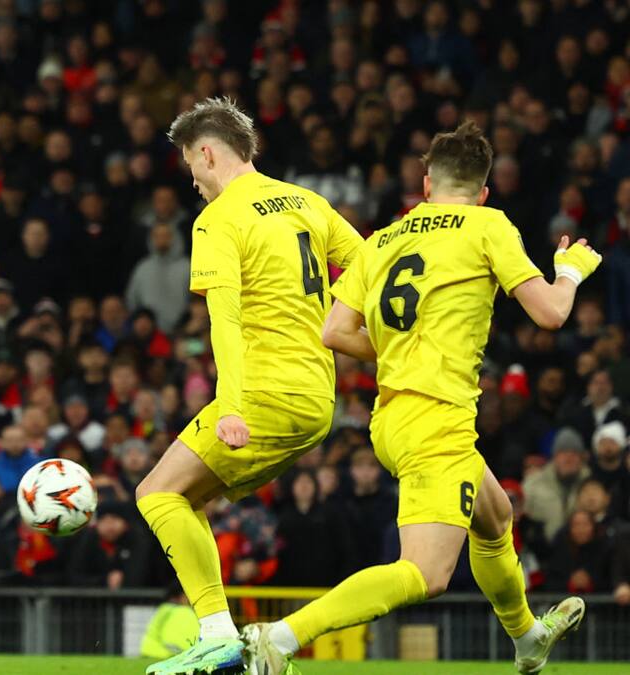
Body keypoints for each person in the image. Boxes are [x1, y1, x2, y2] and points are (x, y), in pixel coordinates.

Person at [245, 121, 601, 674]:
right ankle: (282, 637)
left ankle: (527, 637)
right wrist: (570, 272)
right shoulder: (487, 225)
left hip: (391, 418)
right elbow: (551, 314)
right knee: (426, 574)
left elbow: (335, 332)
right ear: (483, 192)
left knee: (496, 517)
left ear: (427, 184)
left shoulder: (384, 238)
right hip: (437, 418)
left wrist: (397, 354)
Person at [134, 97, 363, 675]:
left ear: (207, 153)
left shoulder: (219, 218)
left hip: (261, 395)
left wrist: (231, 406)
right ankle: (225, 642)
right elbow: (371, 269)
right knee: (187, 499)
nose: (194, 182)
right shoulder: (307, 201)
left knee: (155, 494)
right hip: (316, 401)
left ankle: (217, 635)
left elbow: (225, 323)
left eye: (191, 167)